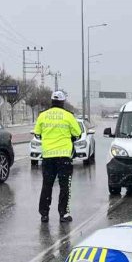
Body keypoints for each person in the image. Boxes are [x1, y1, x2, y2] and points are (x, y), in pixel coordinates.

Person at [34, 90, 82, 223]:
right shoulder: (68, 116)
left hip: (48, 156)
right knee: (64, 186)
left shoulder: (42, 116)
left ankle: (44, 214)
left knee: (47, 185)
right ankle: (63, 214)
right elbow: (77, 133)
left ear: (51, 100)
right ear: (63, 101)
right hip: (64, 157)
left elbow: (37, 134)